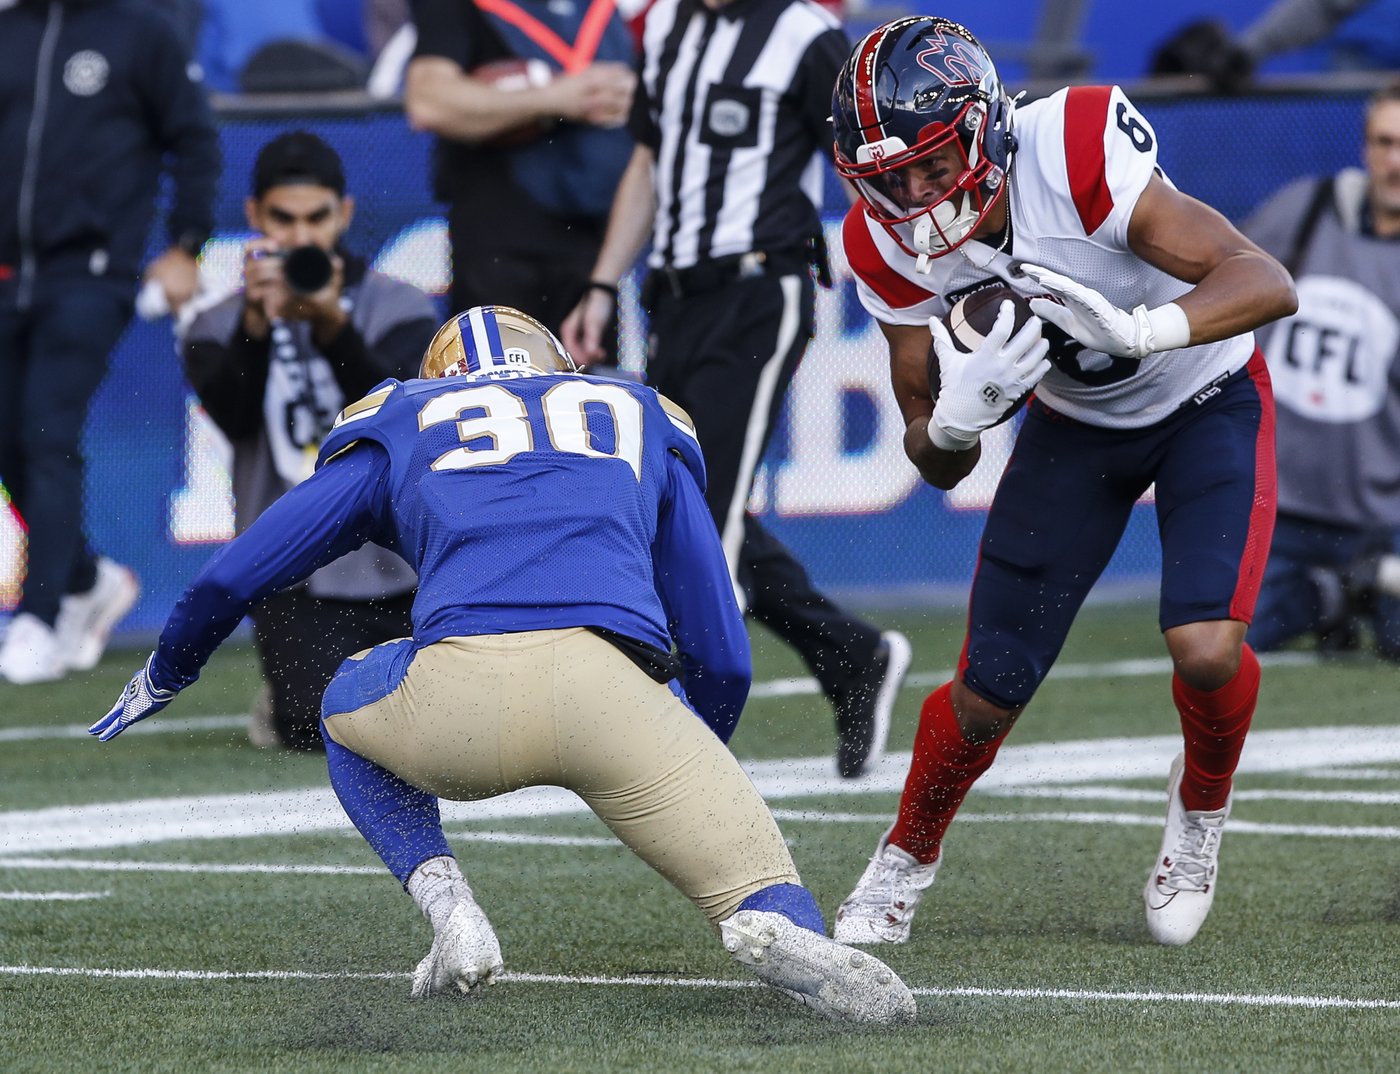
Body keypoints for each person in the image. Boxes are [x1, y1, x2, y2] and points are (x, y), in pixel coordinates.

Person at [89, 305, 916, 1024]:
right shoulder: (632, 414)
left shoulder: (409, 418)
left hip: (461, 702)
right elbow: (720, 648)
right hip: (616, 696)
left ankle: (451, 911)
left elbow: (236, 574)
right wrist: (693, 745)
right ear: (559, 365)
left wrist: (168, 670)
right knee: (759, 883)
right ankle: (783, 933)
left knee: (343, 700)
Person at [826, 16, 1296, 947]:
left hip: (1206, 397)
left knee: (1205, 648)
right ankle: (905, 855)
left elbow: (1264, 277)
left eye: (930, 165)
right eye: (889, 180)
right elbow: (929, 448)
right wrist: (957, 420)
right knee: (989, 686)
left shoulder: (1072, 146)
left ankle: (1200, 808)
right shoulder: (882, 244)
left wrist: (1142, 332)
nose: (916, 199)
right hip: (1076, 429)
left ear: (985, 128)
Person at [562, 0, 912, 780]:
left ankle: (680, 745)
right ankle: (852, 655)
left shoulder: (805, 37)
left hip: (760, 289)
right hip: (676, 298)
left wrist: (919, 292)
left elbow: (868, 175)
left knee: (702, 527)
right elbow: (650, 163)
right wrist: (598, 282)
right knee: (670, 503)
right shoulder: (672, 30)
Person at [181, 131, 437, 750]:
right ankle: (285, 692)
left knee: (441, 720)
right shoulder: (215, 325)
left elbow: (398, 416)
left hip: (401, 557)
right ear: (254, 218)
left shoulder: (400, 306)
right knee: (315, 730)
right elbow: (235, 417)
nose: (301, 236)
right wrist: (255, 326)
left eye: (317, 218)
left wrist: (330, 325)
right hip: (296, 566)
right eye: (283, 219)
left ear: (344, 215)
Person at [0, 0, 220, 685]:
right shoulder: (8, 31)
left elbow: (195, 139)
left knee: (47, 430)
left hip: (93, 273)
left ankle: (39, 616)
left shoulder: (138, 32)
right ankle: (89, 578)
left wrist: (186, 244)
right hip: (8, 275)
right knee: (11, 439)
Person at [1244, 81, 1400, 660]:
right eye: (1384, 142)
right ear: (1364, 147)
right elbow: (1229, 291)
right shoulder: (1306, 212)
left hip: (1382, 518)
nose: (1395, 161)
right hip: (1275, 504)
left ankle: (1368, 585)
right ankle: (1327, 597)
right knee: (1222, 639)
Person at [403, 0, 635, 348]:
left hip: (593, 243)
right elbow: (428, 102)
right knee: (501, 389)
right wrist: (553, 98)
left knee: (589, 391)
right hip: (503, 245)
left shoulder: (605, 8)